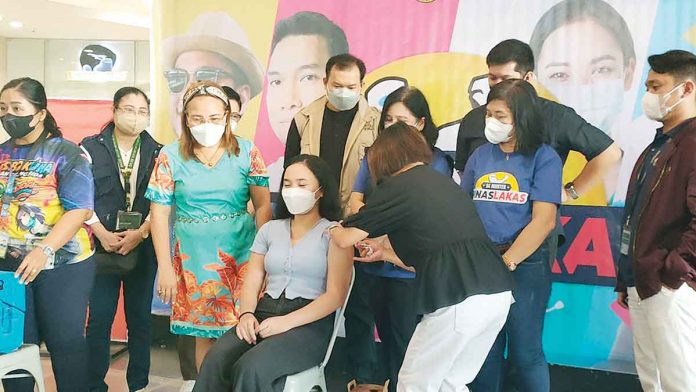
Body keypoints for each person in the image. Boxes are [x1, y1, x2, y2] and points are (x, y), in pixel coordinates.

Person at [331, 123, 514, 391]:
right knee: (450, 383)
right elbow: (432, 256)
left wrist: (332, 228)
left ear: (382, 159)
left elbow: (346, 238)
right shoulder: (441, 183)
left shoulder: (398, 187)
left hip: (459, 301)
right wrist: (385, 253)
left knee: (413, 383)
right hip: (496, 296)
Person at [193, 154, 353, 391]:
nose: (292, 191)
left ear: (320, 191)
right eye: (287, 184)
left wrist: (286, 322)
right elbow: (252, 281)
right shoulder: (269, 230)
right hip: (263, 313)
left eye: (301, 184)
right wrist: (247, 314)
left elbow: (335, 296)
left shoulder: (336, 234)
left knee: (251, 367)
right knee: (216, 359)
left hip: (310, 325)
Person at [146, 82, 271, 376]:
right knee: (205, 337)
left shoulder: (247, 152)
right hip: (194, 261)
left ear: (227, 116)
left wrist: (265, 260)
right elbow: (159, 213)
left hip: (241, 258)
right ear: (186, 119)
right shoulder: (170, 155)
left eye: (215, 118)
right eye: (197, 119)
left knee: (243, 330)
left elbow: (263, 207)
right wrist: (165, 267)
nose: (206, 125)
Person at [346, 86, 453, 390]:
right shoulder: (373, 156)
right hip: (370, 260)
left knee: (406, 340)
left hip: (407, 268)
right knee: (373, 328)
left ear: (420, 123)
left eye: (402, 120)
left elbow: (425, 214)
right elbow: (355, 201)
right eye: (388, 120)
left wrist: (383, 229)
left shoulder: (436, 162)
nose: (393, 127)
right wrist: (371, 230)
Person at [461, 79, 561, 392]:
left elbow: (544, 221)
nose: (492, 121)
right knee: (484, 350)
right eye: (489, 114)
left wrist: (508, 261)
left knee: (525, 351)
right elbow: (463, 210)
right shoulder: (479, 156)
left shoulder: (544, 158)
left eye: (501, 116)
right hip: (482, 262)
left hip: (525, 264)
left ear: (522, 117)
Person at [0, 77, 95, 391]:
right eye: (3, 108)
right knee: (14, 346)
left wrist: (44, 251)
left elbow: (79, 209)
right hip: (11, 269)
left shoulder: (67, 153)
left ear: (39, 113)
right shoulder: (1, 154)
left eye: (17, 108)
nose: (9, 115)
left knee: (65, 342)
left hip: (63, 265)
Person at [615, 50, 696, 392]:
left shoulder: (692, 142)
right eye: (647, 86)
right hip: (641, 278)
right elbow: (635, 217)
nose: (649, 95)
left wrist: (675, 271)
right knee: (653, 380)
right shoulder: (658, 144)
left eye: (656, 86)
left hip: (669, 283)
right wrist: (626, 277)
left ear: (686, 89)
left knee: (681, 380)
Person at [455, 39, 621, 205]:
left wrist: (571, 192)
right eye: (492, 78)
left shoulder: (556, 116)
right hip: (484, 222)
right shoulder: (473, 119)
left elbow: (610, 153)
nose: (498, 85)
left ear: (528, 77)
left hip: (536, 217)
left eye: (506, 79)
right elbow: (464, 171)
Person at [81, 87, 162, 392]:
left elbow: (165, 202)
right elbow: (79, 194)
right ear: (114, 111)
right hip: (101, 244)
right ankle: (93, 384)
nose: (135, 117)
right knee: (99, 318)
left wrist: (141, 233)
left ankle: (138, 384)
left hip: (142, 245)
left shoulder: (159, 151)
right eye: (129, 109)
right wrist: (99, 231)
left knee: (140, 319)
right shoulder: (89, 148)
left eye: (142, 111)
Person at [529, 0, 638, 205]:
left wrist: (570, 192)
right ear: (535, 79)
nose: (583, 88)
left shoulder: (643, 164)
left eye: (601, 69)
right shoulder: (530, 158)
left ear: (628, 72)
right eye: (559, 74)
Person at [284, 53, 380, 214]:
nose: (343, 92)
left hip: (356, 215)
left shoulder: (376, 122)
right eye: (337, 86)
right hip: (312, 213)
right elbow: (289, 169)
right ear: (325, 82)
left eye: (351, 87)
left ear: (361, 85)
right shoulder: (303, 119)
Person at [265, 12, 349, 192]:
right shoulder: (265, 182)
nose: (288, 101)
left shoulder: (360, 170)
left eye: (308, 77)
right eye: (276, 81)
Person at [162, 12, 264, 137]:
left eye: (205, 79)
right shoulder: (165, 155)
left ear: (241, 98)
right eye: (176, 79)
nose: (185, 95)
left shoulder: (247, 154)